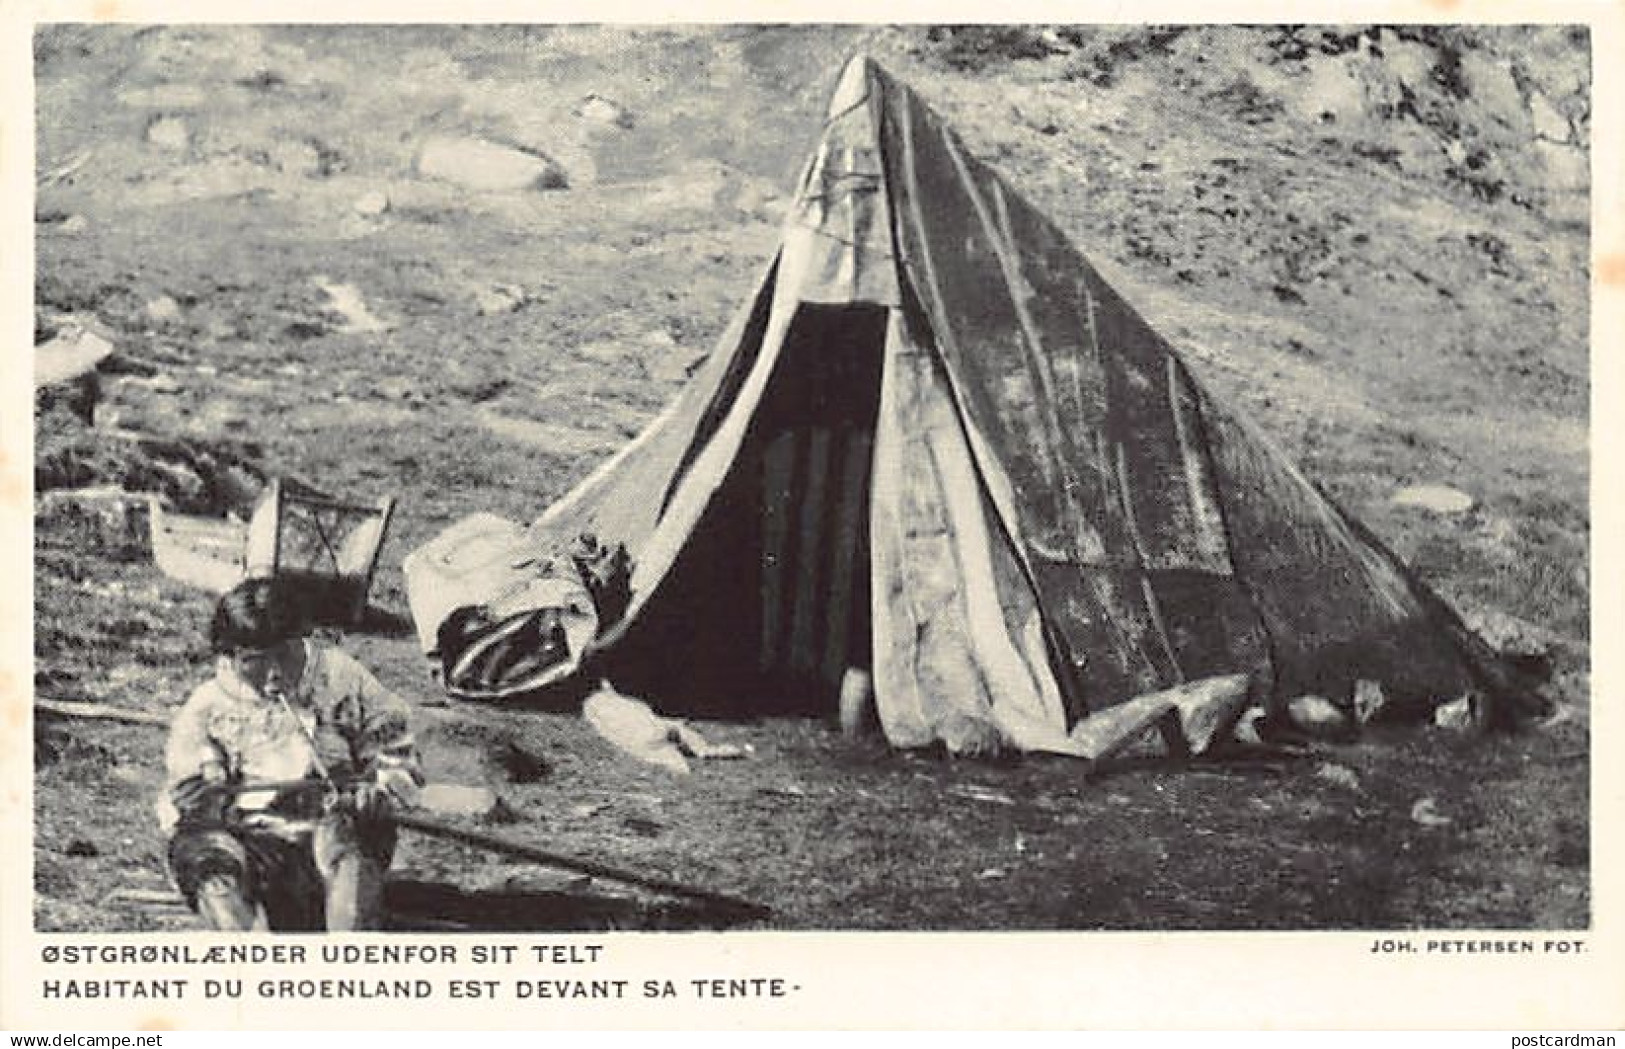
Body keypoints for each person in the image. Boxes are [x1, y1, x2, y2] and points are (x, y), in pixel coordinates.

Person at [157, 577, 423, 931]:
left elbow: (396, 745)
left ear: (304, 640)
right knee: (205, 856)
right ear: (230, 656)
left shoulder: (342, 679)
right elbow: (184, 788)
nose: (274, 674)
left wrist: (379, 789)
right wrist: (200, 796)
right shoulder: (208, 706)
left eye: (285, 655)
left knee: (355, 838)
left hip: (330, 831)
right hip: (249, 843)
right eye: (256, 661)